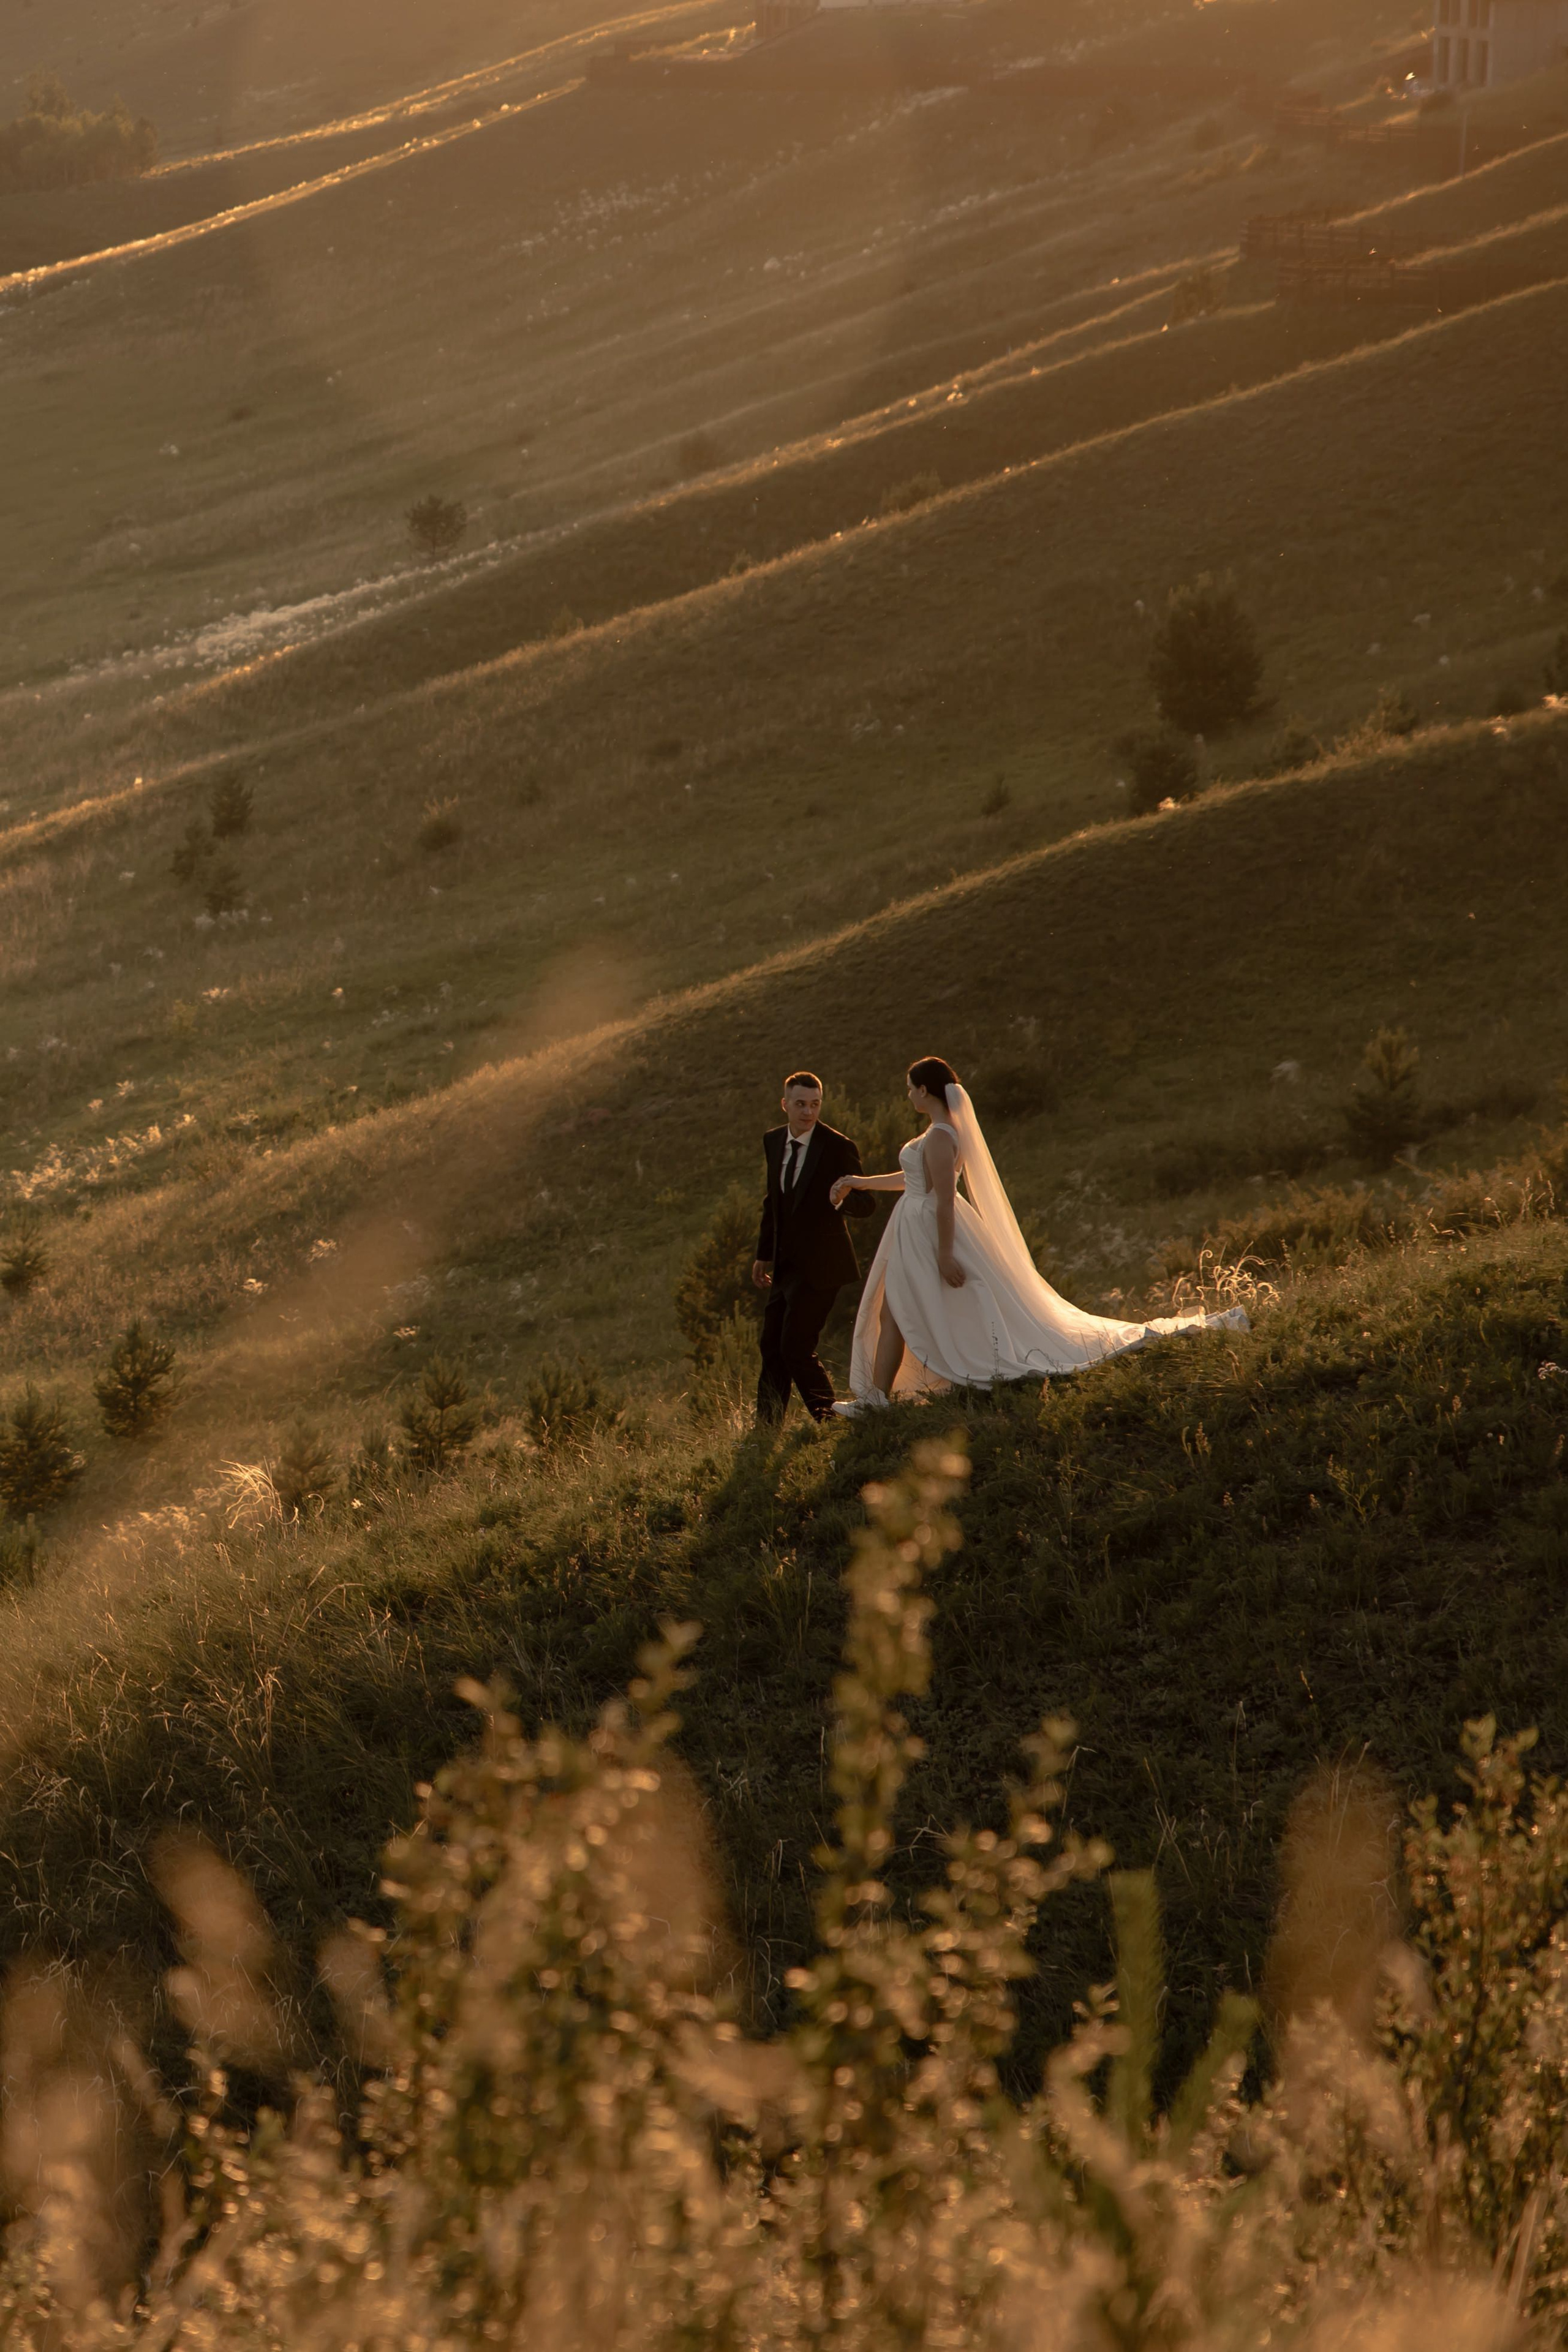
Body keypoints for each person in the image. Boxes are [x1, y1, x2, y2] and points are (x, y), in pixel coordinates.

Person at [829, 1054, 1247, 1411]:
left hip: (926, 1230)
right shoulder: (933, 1136)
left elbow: (942, 1198)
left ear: (925, 1091)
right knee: (893, 1310)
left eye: (910, 1089)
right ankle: (876, 1399)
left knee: (897, 1310)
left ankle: (876, 1400)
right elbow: (913, 1179)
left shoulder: (940, 1137)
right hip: (912, 1227)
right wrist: (861, 1182)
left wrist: (943, 1254)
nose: (908, 1096)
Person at [753, 1071, 875, 1425]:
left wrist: (842, 1198)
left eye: (815, 1104)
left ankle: (829, 1420)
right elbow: (772, 1201)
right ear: (785, 1105)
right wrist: (764, 1253)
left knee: (796, 1348)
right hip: (784, 1264)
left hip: (823, 1266)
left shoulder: (838, 1146)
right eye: (801, 1104)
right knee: (771, 1347)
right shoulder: (773, 1141)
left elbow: (866, 1205)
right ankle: (767, 1426)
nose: (809, 1112)